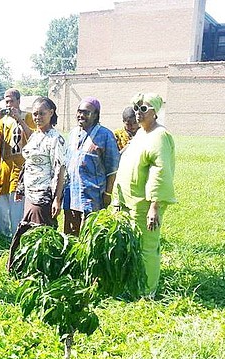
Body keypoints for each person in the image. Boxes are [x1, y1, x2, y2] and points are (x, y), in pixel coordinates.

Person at [112, 93, 176, 297]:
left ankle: (147, 292)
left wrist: (154, 207)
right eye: (136, 108)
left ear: (155, 113)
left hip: (145, 206)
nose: (138, 113)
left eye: (143, 109)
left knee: (146, 249)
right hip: (128, 202)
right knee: (130, 247)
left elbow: (161, 172)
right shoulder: (141, 134)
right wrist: (117, 199)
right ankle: (132, 284)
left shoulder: (160, 136)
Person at [8, 97, 66, 269]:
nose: (38, 117)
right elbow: (31, 140)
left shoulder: (56, 139)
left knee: (41, 234)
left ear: (51, 113)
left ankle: (43, 270)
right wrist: (21, 188)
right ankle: (26, 268)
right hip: (30, 194)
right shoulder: (37, 135)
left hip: (43, 195)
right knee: (29, 233)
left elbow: (60, 170)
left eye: (41, 113)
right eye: (34, 114)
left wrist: (57, 199)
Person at [62, 97, 120, 236]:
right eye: (79, 111)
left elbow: (112, 168)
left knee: (90, 231)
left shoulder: (105, 135)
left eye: (86, 112)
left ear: (95, 115)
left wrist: (108, 193)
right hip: (71, 192)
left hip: (93, 195)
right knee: (71, 231)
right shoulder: (73, 134)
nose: (81, 115)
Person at [0, 88, 35, 240]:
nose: (8, 105)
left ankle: (17, 239)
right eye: (6, 101)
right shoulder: (3, 120)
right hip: (3, 170)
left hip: (19, 169)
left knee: (16, 208)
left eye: (11, 101)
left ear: (18, 101)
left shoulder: (28, 117)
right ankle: (3, 237)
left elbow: (33, 139)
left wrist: (19, 120)